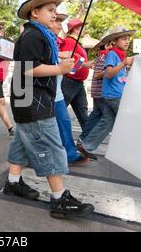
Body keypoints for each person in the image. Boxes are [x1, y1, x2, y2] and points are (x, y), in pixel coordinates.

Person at [3, 0, 94, 219]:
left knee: (22, 143)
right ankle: (59, 198)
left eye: (55, 11)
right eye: (51, 10)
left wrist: (58, 61)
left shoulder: (39, 35)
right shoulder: (33, 36)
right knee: (50, 146)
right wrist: (60, 69)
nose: (55, 16)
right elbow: (28, 68)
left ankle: (13, 182)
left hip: (30, 100)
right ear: (35, 12)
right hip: (34, 101)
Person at [77, 26, 135, 159]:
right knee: (127, 120)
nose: (127, 42)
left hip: (114, 94)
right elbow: (108, 74)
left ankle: (86, 145)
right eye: (124, 39)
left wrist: (126, 65)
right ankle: (131, 152)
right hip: (114, 95)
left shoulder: (120, 55)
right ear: (114, 41)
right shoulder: (112, 54)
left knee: (107, 121)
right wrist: (124, 63)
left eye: (128, 39)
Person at [52, 13, 88, 166]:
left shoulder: (57, 40)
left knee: (65, 119)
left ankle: (73, 151)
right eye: (55, 20)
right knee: (55, 120)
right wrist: (62, 58)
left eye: (60, 21)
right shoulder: (66, 41)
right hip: (63, 84)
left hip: (62, 86)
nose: (59, 25)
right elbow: (29, 65)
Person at [76, 32, 114, 154]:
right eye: (112, 44)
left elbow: (91, 65)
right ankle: (87, 144)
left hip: (96, 91)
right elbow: (104, 73)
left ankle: (83, 140)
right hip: (103, 92)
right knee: (107, 118)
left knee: (94, 117)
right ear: (107, 46)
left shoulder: (99, 56)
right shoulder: (108, 56)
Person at [60, 19, 93, 130]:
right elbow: (69, 59)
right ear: (76, 29)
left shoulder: (76, 43)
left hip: (77, 82)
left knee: (82, 111)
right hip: (70, 80)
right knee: (61, 110)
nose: (85, 30)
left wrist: (85, 64)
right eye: (82, 27)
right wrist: (85, 64)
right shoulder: (70, 41)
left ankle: (87, 139)